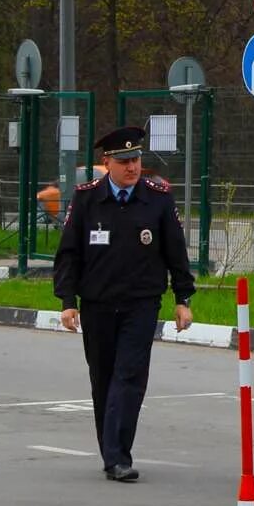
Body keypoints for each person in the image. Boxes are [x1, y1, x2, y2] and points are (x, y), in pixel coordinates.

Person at [54, 126, 195, 482]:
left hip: (141, 304)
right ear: (107, 163)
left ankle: (120, 456)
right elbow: (68, 254)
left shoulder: (157, 198)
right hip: (98, 304)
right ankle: (111, 453)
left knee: (129, 376)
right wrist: (68, 302)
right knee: (103, 380)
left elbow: (175, 251)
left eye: (136, 160)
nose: (132, 167)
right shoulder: (87, 199)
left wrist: (183, 299)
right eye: (124, 161)